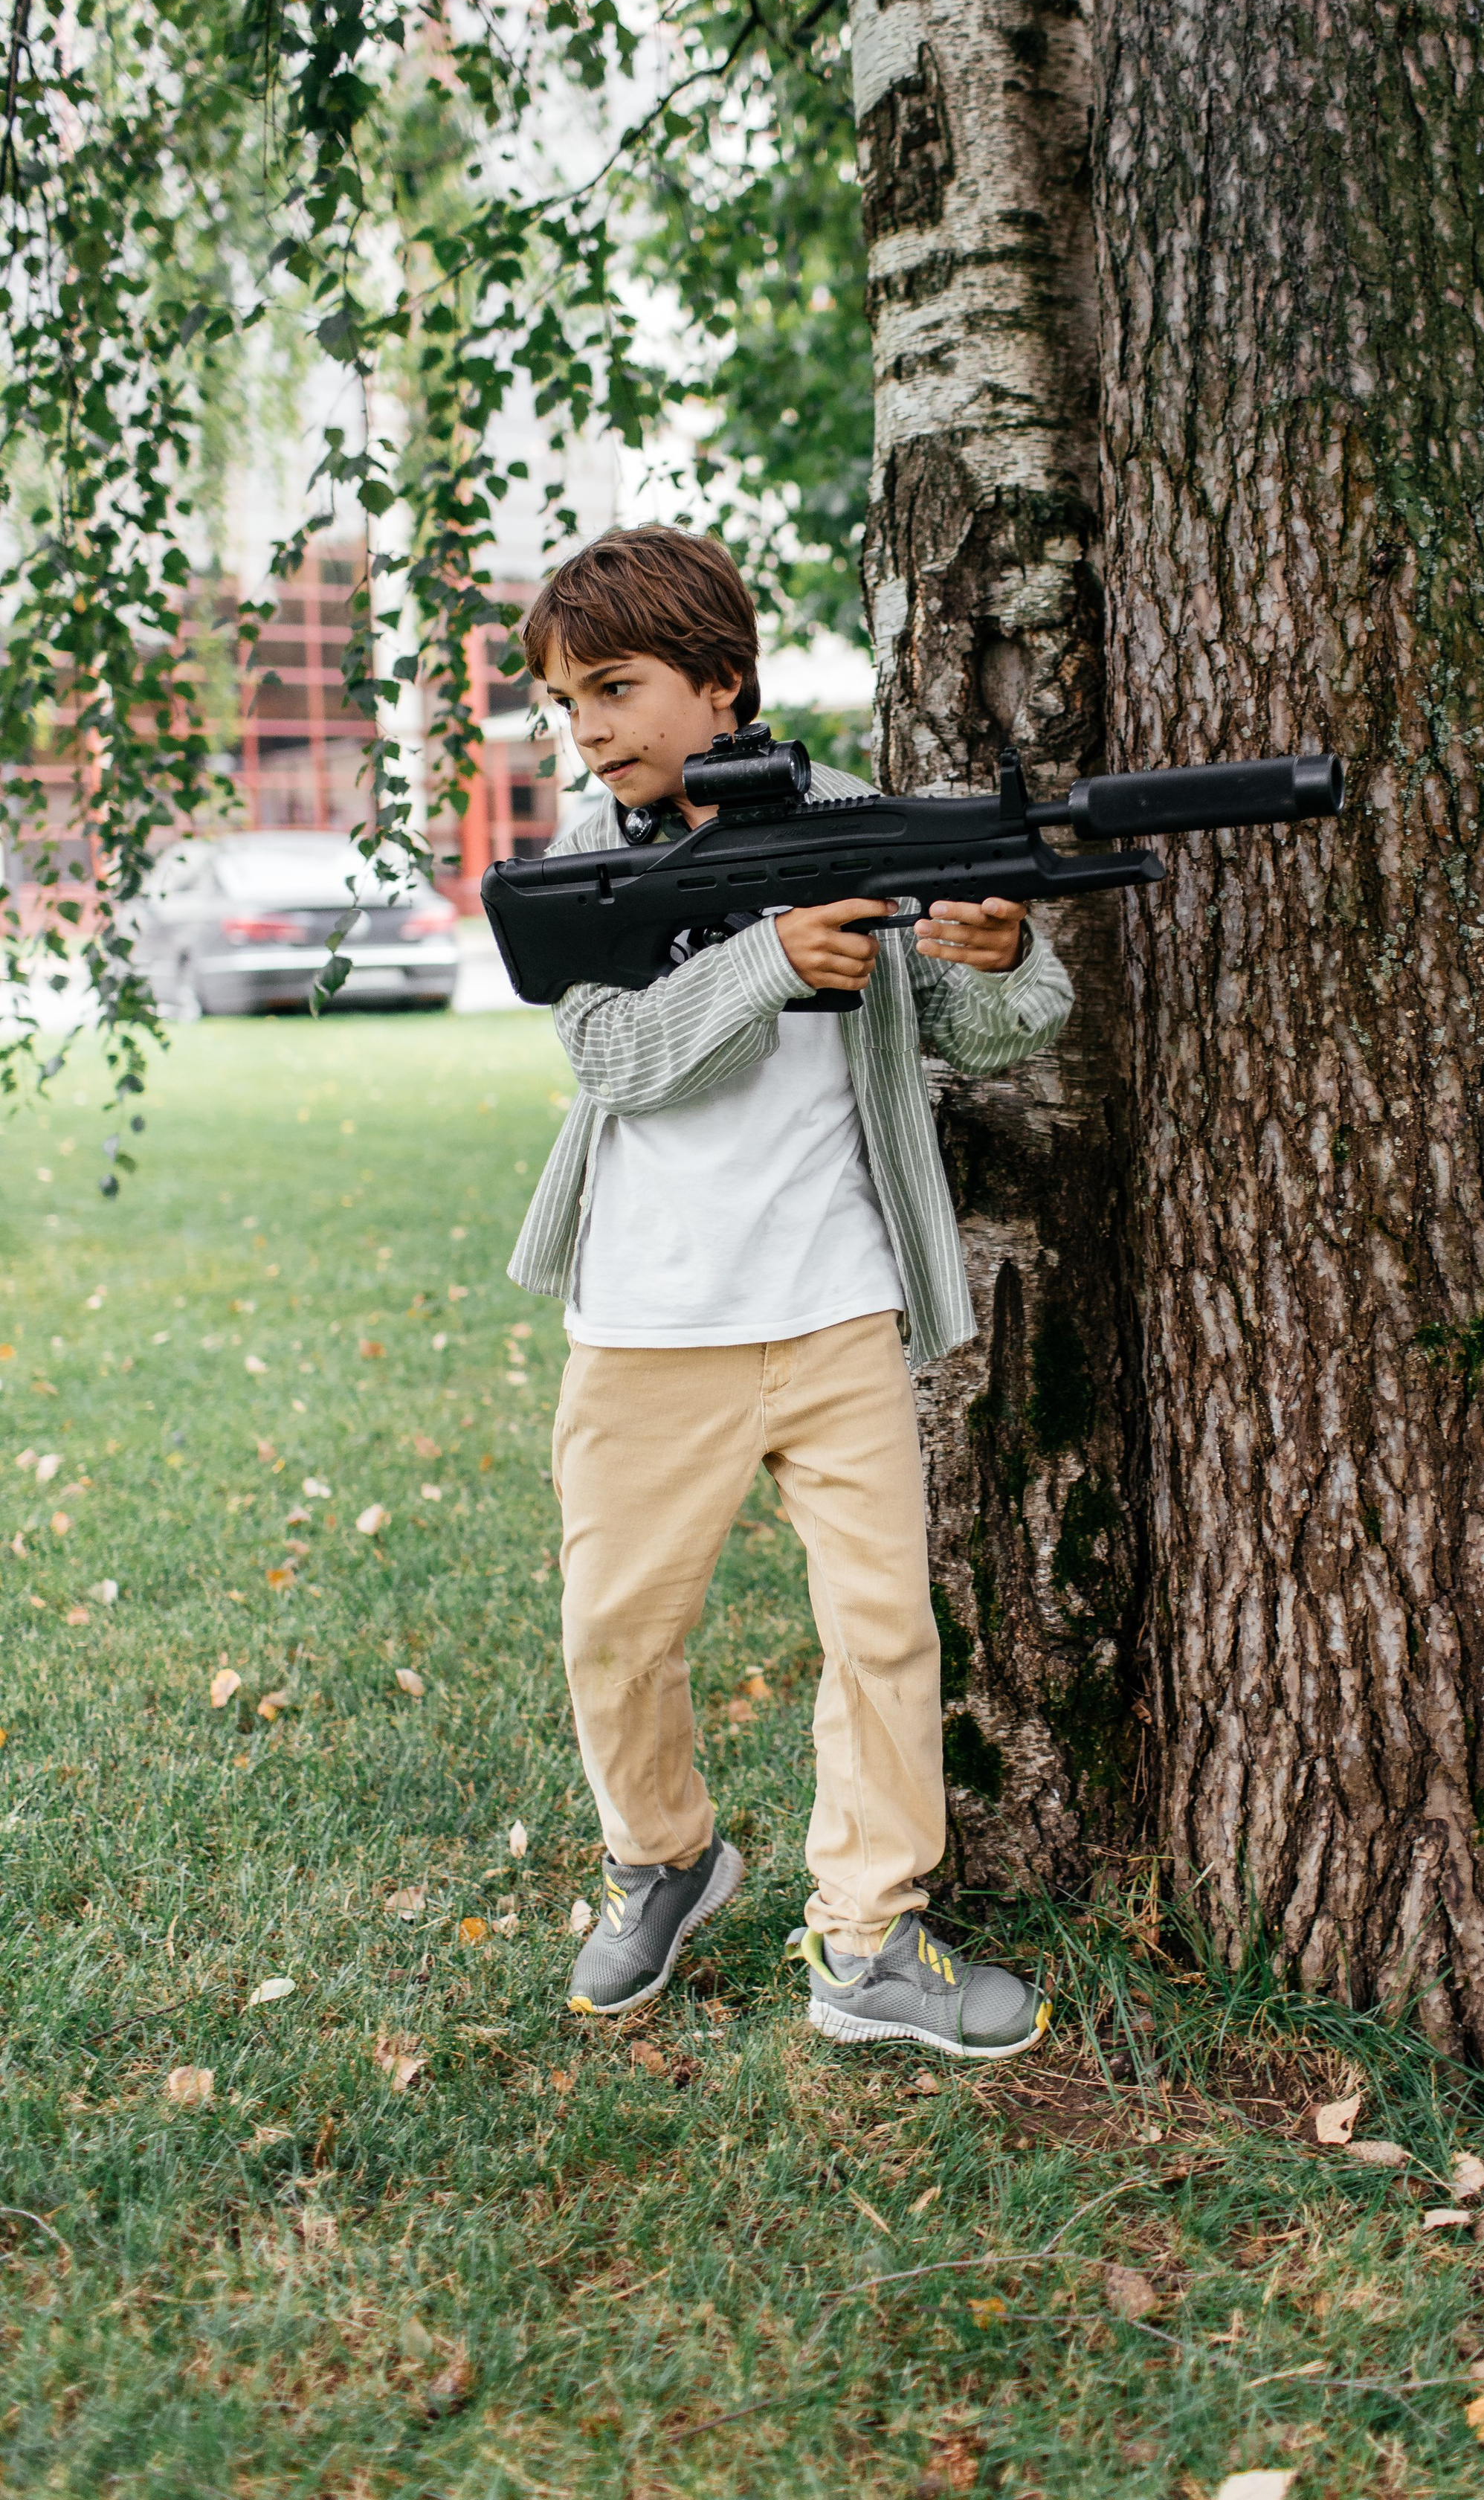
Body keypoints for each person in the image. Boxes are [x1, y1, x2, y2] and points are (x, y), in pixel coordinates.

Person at [506, 524, 1074, 2057]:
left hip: (833, 1309)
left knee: (884, 1630)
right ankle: (663, 1859)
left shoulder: (858, 827)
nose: (591, 730)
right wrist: (763, 960)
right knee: (614, 1633)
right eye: (567, 705)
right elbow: (611, 1058)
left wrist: (1000, 947)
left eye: (615, 689)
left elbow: (992, 1027)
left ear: (723, 681)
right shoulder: (583, 866)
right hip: (643, 1323)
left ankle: (870, 1934)